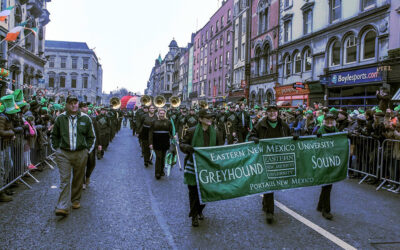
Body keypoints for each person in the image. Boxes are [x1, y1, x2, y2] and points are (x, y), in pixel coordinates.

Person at [51, 95, 96, 217]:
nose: (73, 105)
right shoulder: (60, 118)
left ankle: (75, 199)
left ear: (78, 104)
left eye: (75, 103)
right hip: (64, 153)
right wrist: (57, 149)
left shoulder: (86, 119)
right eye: (71, 103)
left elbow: (91, 137)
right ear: (67, 104)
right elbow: (54, 135)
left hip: (80, 153)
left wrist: (87, 151)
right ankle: (62, 206)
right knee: (65, 179)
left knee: (78, 178)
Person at [180, 109, 223, 227]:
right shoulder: (192, 131)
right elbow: (182, 144)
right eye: (207, 118)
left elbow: (220, 148)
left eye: (211, 118)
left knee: (206, 191)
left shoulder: (216, 132)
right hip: (193, 166)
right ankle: (194, 215)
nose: (210, 120)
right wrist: (187, 147)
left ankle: (199, 209)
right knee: (193, 192)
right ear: (200, 119)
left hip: (208, 167)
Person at [249, 104, 290, 224]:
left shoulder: (284, 125)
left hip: (278, 158)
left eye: (274, 111)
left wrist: (296, 138)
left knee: (272, 182)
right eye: (270, 111)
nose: (272, 113)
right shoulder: (260, 125)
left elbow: (290, 136)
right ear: (266, 113)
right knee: (269, 182)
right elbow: (251, 135)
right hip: (264, 157)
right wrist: (253, 139)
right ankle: (270, 212)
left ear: (278, 113)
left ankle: (265, 203)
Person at [314, 112, 339, 220]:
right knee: (327, 184)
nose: (329, 121)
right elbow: (316, 143)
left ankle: (320, 206)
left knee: (327, 184)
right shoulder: (321, 130)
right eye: (327, 120)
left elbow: (340, 141)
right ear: (324, 120)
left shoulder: (336, 130)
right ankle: (326, 210)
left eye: (331, 120)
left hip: (332, 159)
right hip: (323, 160)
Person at [149, 107, 173, 179]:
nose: (162, 115)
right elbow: (150, 133)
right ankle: (157, 173)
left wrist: (174, 136)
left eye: (163, 113)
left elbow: (171, 131)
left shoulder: (168, 122)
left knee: (163, 157)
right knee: (158, 157)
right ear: (158, 114)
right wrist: (150, 143)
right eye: (160, 113)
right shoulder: (154, 122)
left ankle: (162, 171)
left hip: (165, 142)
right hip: (156, 142)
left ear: (165, 114)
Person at [80, 102, 99, 189]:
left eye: (87, 107)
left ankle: (87, 176)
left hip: (91, 144)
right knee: (81, 165)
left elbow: (96, 132)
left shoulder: (92, 119)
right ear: (80, 108)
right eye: (84, 107)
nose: (86, 108)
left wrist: (99, 144)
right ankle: (82, 182)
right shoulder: (77, 119)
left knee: (91, 164)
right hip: (81, 145)